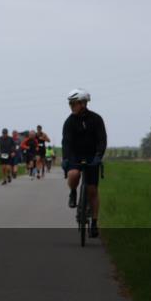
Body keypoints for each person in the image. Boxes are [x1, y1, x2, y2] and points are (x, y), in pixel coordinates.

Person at [62, 89, 107, 238]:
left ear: (83, 103)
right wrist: (66, 158)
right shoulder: (69, 122)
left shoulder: (96, 119)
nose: (71, 106)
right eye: (70, 103)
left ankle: (94, 222)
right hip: (75, 155)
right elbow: (66, 142)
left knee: (92, 190)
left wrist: (98, 156)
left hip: (92, 156)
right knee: (74, 174)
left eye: (73, 103)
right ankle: (73, 192)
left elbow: (102, 140)